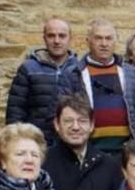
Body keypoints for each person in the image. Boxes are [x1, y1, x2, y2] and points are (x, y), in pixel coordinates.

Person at [59, 18, 135, 154]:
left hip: (126, 152)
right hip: (88, 151)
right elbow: (60, 114)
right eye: (98, 38)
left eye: (109, 38)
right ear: (88, 42)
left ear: (115, 41)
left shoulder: (130, 72)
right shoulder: (73, 74)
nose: (104, 44)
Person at [43, 95, 122, 190]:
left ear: (92, 125)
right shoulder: (42, 165)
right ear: (57, 124)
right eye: (68, 121)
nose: (75, 127)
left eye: (82, 121)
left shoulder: (110, 166)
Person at [6, 18, 80, 146]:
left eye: (62, 36)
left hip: (71, 143)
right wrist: (16, 142)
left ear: (70, 38)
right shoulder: (28, 69)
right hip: (36, 143)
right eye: (51, 36)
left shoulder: (79, 69)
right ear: (44, 38)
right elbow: (16, 110)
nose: (56, 41)